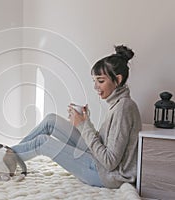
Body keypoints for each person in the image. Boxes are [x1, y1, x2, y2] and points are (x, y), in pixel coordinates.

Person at [11, 45, 142, 188]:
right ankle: (4, 154)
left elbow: (109, 162)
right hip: (98, 162)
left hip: (106, 175)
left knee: (42, 142)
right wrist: (86, 121)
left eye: (101, 81)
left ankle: (0, 159)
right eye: (94, 81)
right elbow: (103, 143)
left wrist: (82, 125)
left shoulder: (124, 108)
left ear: (118, 79)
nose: (95, 87)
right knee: (51, 120)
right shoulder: (118, 104)